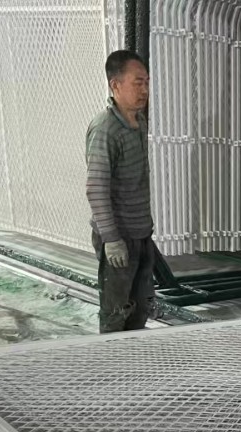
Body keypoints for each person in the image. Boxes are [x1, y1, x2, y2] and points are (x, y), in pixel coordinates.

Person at [86, 50, 154, 333]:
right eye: (137, 83)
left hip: (140, 234)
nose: (144, 90)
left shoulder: (138, 123)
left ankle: (134, 357)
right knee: (116, 313)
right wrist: (112, 239)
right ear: (115, 85)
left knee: (140, 306)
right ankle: (113, 358)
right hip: (119, 237)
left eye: (146, 82)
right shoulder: (106, 129)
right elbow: (96, 188)